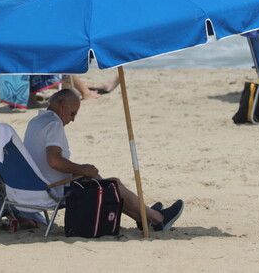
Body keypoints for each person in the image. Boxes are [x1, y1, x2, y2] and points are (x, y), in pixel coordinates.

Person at [22, 88, 184, 231]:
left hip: (37, 186)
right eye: (73, 113)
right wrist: (83, 169)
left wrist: (83, 172)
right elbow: (54, 161)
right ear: (62, 106)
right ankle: (158, 218)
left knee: (103, 183)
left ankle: (144, 217)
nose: (73, 119)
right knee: (113, 185)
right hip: (52, 190)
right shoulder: (54, 124)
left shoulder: (36, 121)